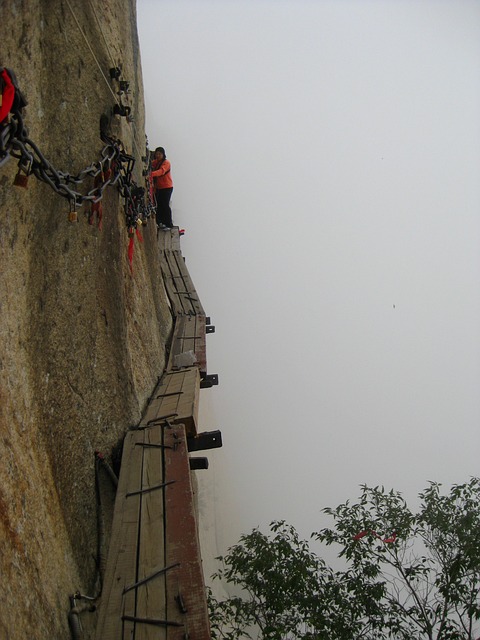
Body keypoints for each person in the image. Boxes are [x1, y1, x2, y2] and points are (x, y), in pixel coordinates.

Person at [151, 146, 173, 228]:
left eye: (160, 154)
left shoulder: (166, 163)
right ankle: (159, 221)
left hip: (167, 187)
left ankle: (168, 223)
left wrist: (151, 174)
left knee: (165, 204)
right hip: (159, 188)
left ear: (163, 155)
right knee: (158, 204)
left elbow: (161, 171)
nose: (158, 155)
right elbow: (151, 164)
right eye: (157, 154)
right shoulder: (156, 162)